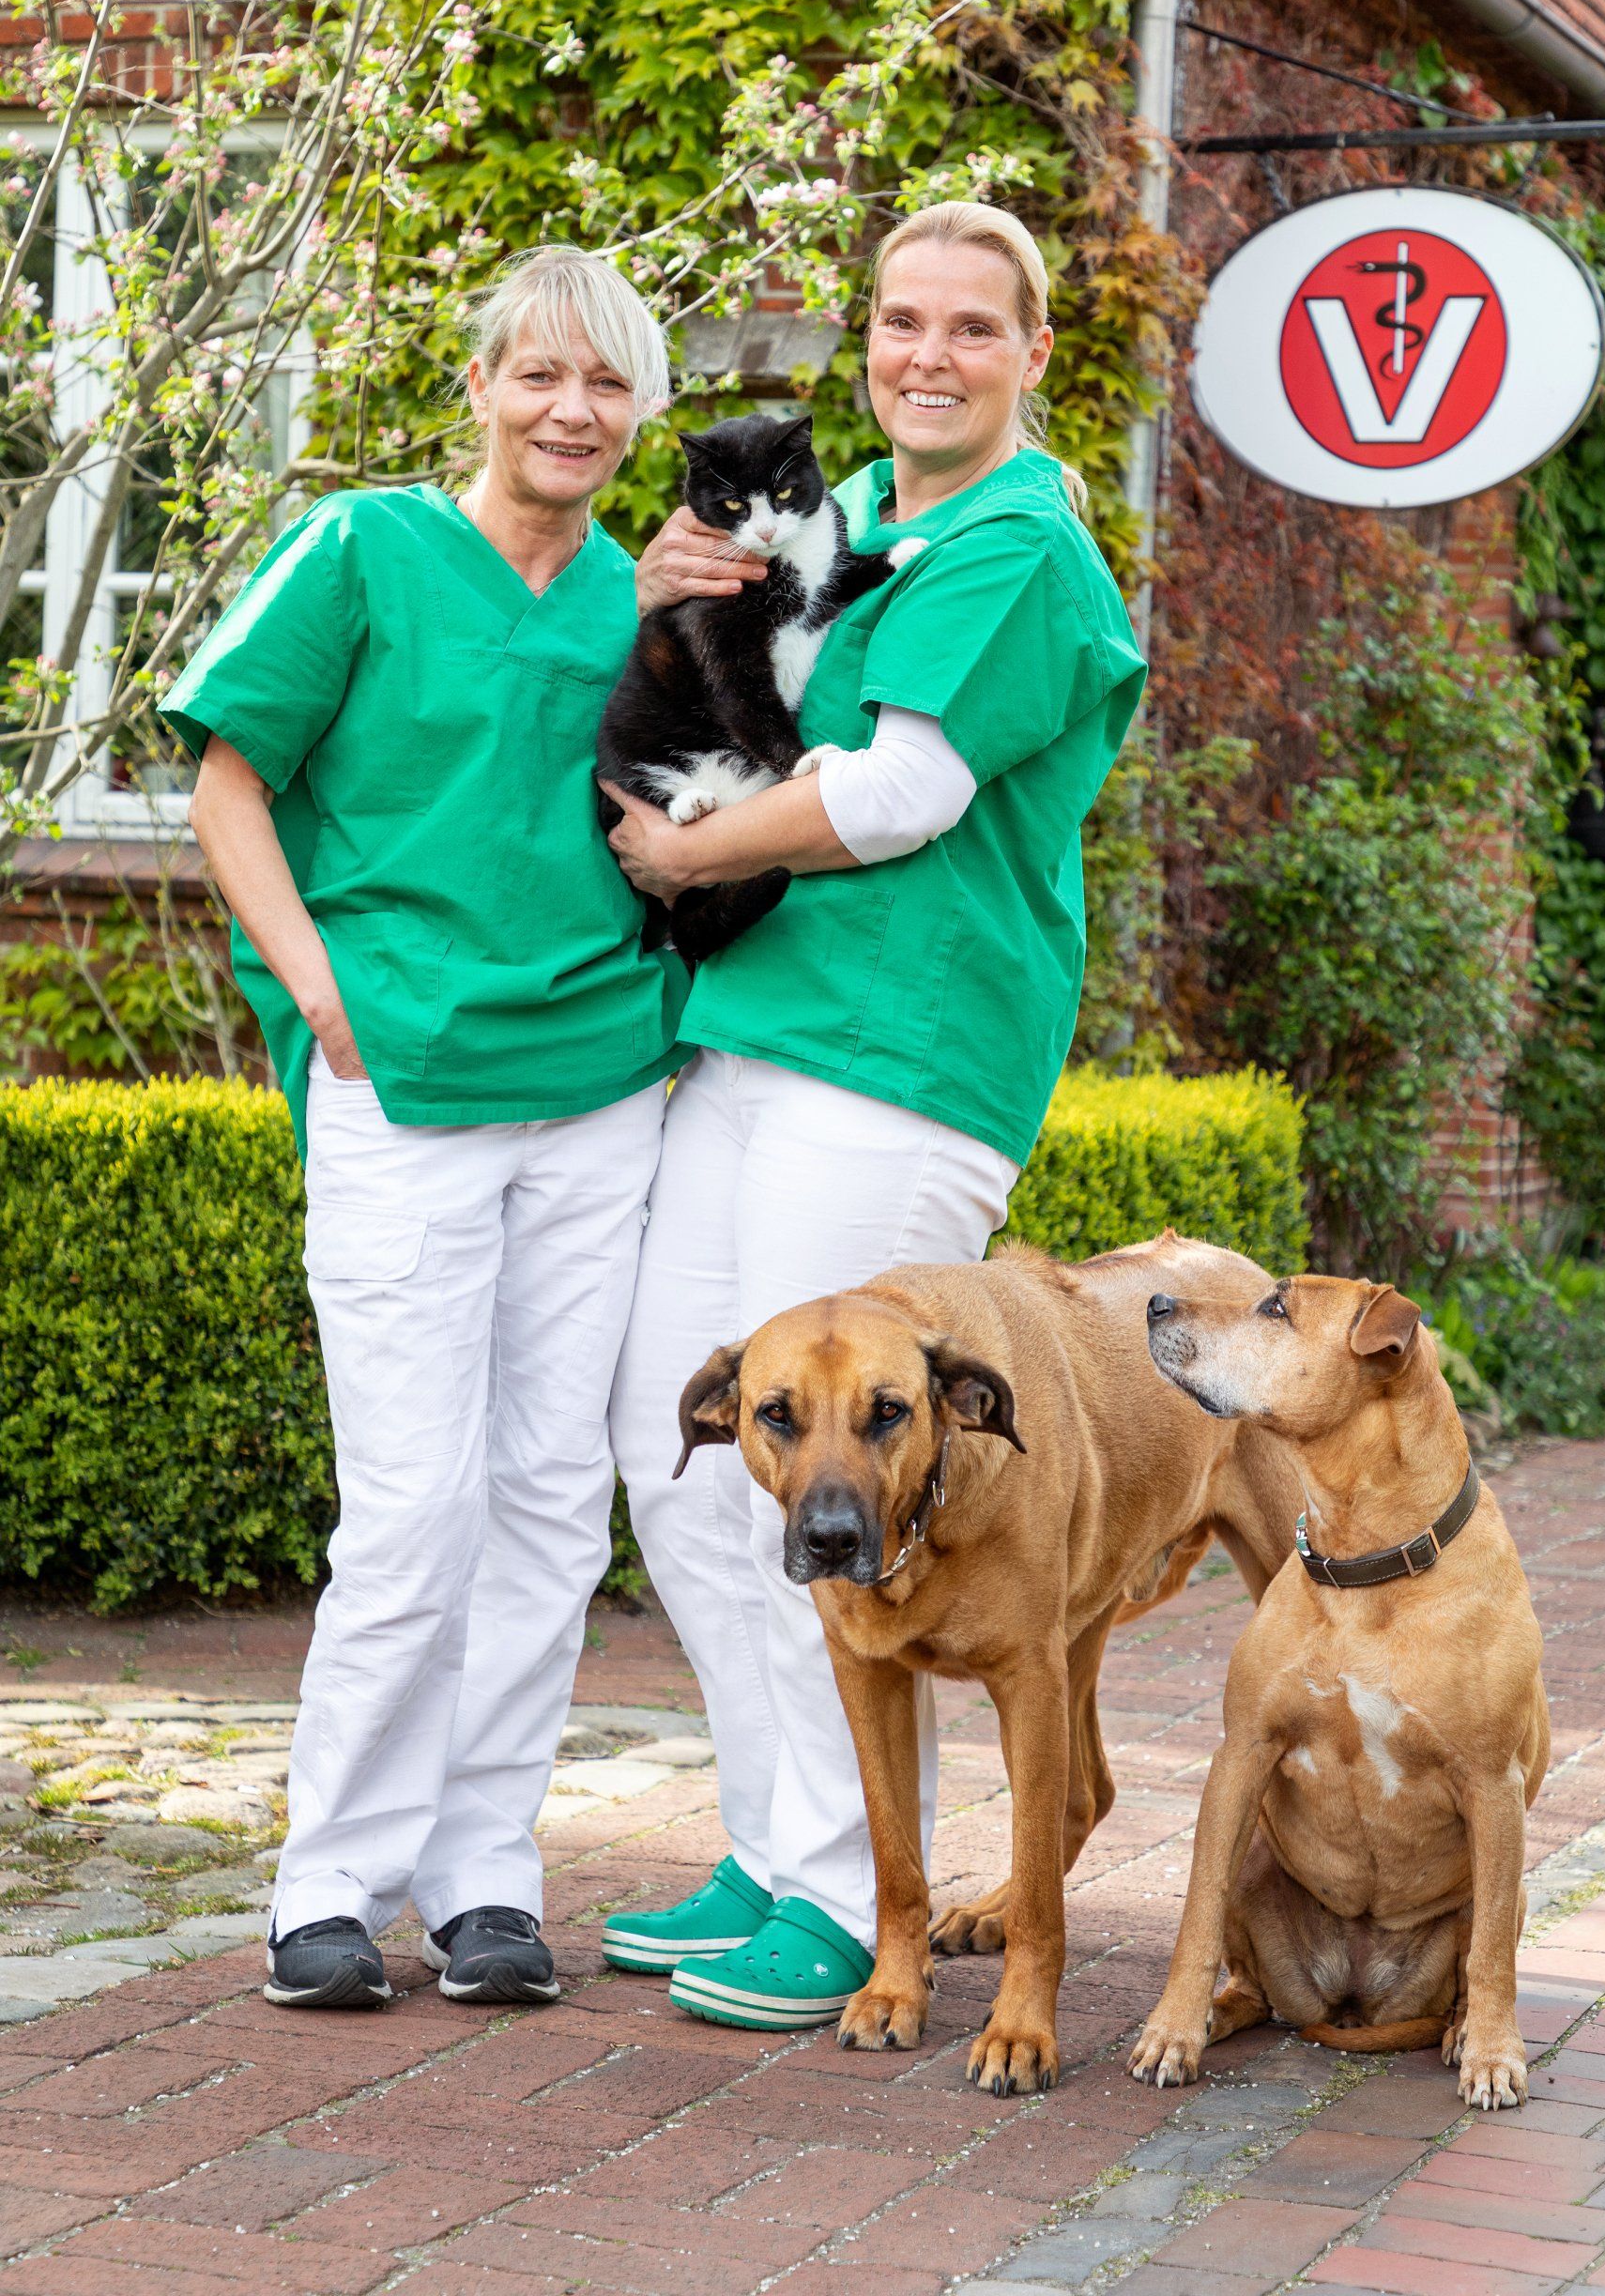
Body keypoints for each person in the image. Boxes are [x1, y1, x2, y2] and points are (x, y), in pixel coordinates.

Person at [601, 201, 1146, 2030]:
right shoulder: (867, 531)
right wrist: (673, 592)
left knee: (846, 1474)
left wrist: (684, 855)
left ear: (1033, 353)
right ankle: (776, 1842)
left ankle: (848, 1896)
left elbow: (902, 792)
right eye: (903, 320)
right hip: (762, 1028)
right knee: (682, 1449)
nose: (930, 354)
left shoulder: (1017, 546)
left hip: (901, 1062)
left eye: (973, 327)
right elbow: (733, 685)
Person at [163, 248, 696, 2011]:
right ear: (480, 386)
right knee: (411, 1506)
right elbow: (229, 781)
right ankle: (329, 1881)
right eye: (540, 373)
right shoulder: (361, 550)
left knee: (548, 1499)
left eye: (607, 383)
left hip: (601, 1090)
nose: (572, 411)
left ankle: (486, 1879)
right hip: (403, 1082)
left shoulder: (641, 600)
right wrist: (321, 992)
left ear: (641, 411)